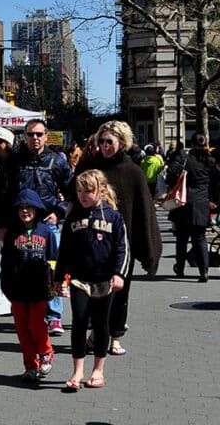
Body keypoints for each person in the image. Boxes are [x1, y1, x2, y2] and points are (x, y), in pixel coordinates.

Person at [75, 121, 161, 356]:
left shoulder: (131, 171)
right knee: (93, 291)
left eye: (109, 142)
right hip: (92, 241)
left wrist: (149, 248)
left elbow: (144, 209)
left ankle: (115, 336)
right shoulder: (92, 167)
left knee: (119, 292)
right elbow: (76, 191)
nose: (104, 146)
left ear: (121, 143)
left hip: (122, 244)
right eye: (101, 141)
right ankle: (96, 334)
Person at [55, 170, 128, 392]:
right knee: (78, 320)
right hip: (79, 279)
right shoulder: (74, 217)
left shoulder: (113, 217)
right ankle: (77, 371)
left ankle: (98, 369)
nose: (82, 195)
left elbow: (122, 249)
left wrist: (119, 274)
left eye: (88, 191)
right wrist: (59, 277)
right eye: (79, 190)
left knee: (100, 323)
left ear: (101, 191)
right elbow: (64, 250)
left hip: (105, 281)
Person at [11, 119, 73, 337]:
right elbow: (5, 192)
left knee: (52, 268)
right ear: (24, 137)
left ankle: (54, 316)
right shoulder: (15, 161)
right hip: (22, 224)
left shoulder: (57, 161)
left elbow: (71, 190)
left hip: (48, 224)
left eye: (38, 134)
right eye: (30, 134)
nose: (34, 138)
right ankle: (30, 310)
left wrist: (59, 212)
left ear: (46, 136)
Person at [1, 189, 57, 382]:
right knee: (23, 329)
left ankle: (45, 352)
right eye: (21, 208)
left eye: (29, 208)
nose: (25, 211)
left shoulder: (46, 232)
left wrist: (55, 285)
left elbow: (53, 259)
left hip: (38, 288)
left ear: (37, 209)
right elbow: (6, 262)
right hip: (17, 288)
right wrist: (5, 286)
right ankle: (30, 366)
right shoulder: (12, 234)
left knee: (36, 324)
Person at [165, 132, 218, 283]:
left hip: (183, 202)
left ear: (192, 142)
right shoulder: (210, 161)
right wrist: (212, 199)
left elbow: (170, 173)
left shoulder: (184, 158)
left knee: (181, 238)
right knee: (200, 238)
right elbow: (215, 182)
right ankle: (204, 271)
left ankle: (180, 268)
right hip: (201, 203)